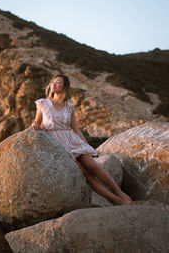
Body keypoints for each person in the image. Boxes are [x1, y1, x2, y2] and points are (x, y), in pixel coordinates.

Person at [30, 74, 134, 205]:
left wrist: (87, 146)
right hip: (58, 145)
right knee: (86, 174)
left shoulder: (69, 107)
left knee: (93, 166)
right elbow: (36, 122)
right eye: (52, 82)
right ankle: (117, 200)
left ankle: (120, 193)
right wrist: (34, 125)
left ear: (65, 87)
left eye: (58, 82)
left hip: (73, 140)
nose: (53, 84)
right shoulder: (43, 104)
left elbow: (75, 129)